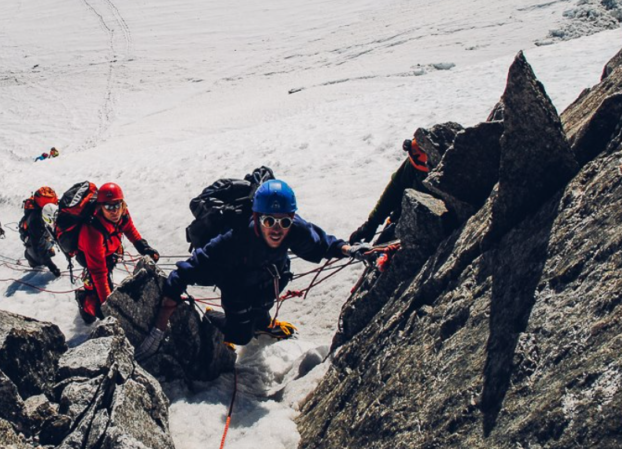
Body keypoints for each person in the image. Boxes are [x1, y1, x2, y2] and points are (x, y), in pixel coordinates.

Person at [135, 179, 368, 360]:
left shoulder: (295, 229)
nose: (277, 229)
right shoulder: (234, 240)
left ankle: (262, 323)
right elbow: (188, 270)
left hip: (272, 280)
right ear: (256, 218)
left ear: (292, 218)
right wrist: (161, 321)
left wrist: (350, 250)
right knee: (240, 336)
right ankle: (216, 321)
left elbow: (323, 243)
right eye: (269, 221)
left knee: (263, 307)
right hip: (238, 289)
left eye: (284, 222)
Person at [74, 183, 160, 324]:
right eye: (108, 206)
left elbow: (130, 230)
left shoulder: (123, 213)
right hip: (93, 258)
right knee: (99, 311)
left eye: (117, 205)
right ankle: (84, 300)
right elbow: (98, 272)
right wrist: (108, 305)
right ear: (100, 207)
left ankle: (91, 289)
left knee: (106, 289)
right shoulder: (92, 231)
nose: (114, 210)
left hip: (108, 253)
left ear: (122, 204)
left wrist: (144, 248)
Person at [349, 138, 430, 245]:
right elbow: (395, 190)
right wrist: (372, 223)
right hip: (402, 215)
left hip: (422, 226)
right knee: (381, 246)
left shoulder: (445, 175)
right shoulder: (413, 163)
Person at [19, 187, 61, 277]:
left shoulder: (45, 213)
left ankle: (47, 248)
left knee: (48, 239)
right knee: (38, 259)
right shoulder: (35, 220)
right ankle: (30, 257)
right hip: (31, 237)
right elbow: (37, 245)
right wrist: (52, 266)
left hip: (41, 232)